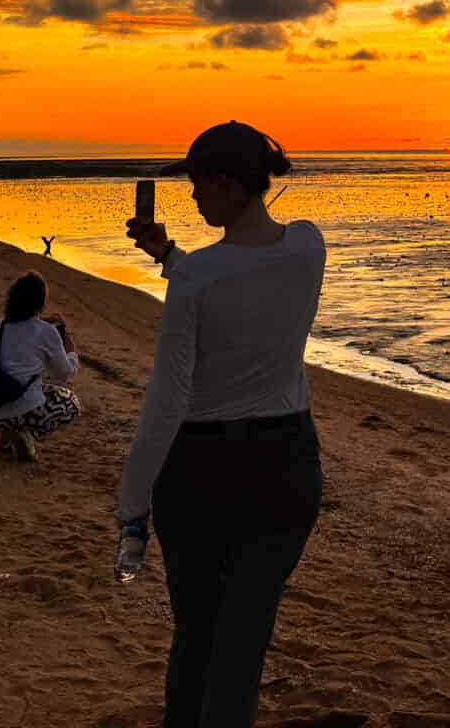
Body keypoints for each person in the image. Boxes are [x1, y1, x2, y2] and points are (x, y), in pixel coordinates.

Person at [118, 121, 325, 728]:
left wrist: (132, 501)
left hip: (200, 469)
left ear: (228, 183)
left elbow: (167, 396)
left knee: (198, 633)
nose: (192, 198)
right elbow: (245, 285)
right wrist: (170, 257)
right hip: (286, 463)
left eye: (199, 185)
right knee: (243, 638)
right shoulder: (309, 247)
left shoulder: (198, 277)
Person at [0, 271, 82, 463]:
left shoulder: (2, 324)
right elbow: (65, 373)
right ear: (40, 302)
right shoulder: (47, 332)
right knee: (71, 402)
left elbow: (25, 333)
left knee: (21, 384)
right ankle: (26, 435)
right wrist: (71, 350)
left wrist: (43, 323)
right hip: (24, 411)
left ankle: (6, 437)